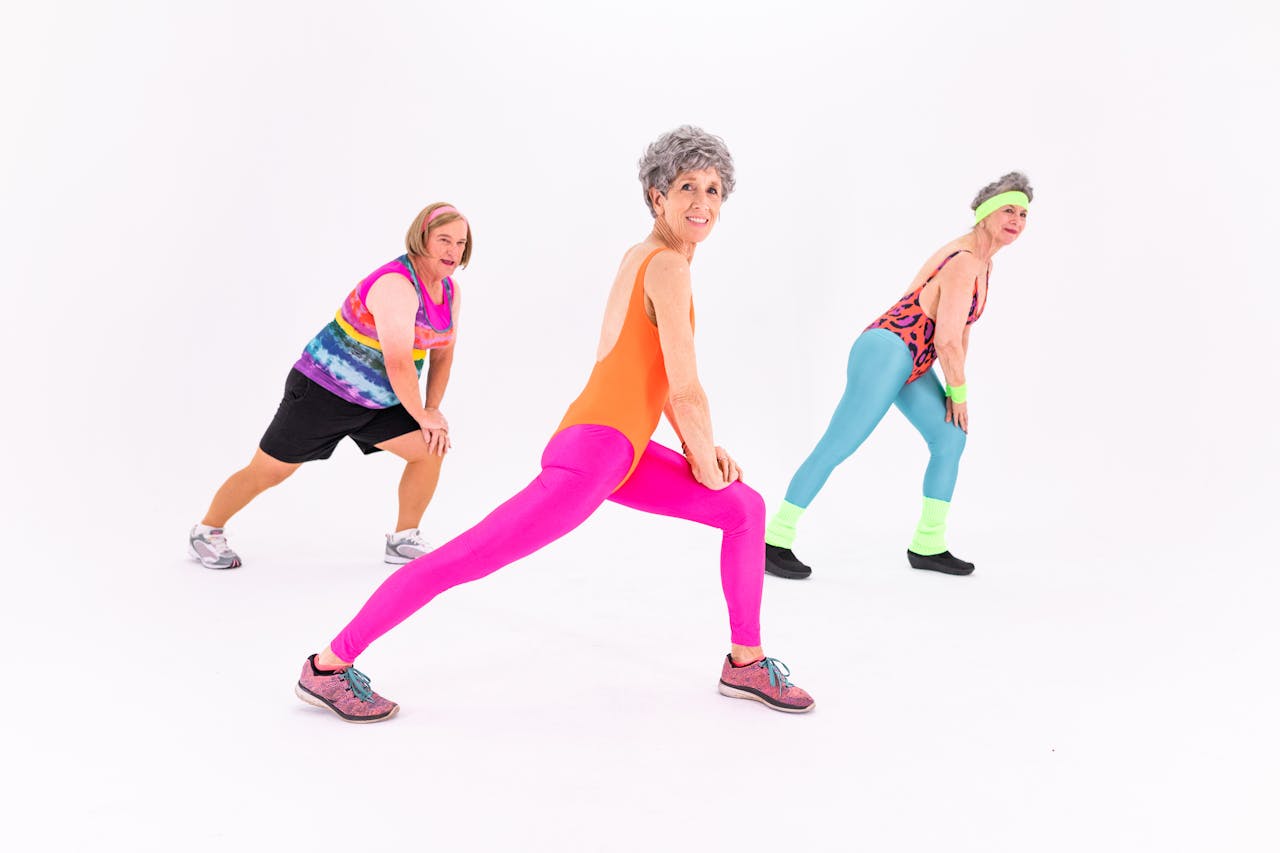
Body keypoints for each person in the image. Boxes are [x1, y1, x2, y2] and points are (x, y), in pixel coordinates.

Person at [293, 127, 814, 723]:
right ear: (656, 195)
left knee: (743, 509)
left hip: (618, 449)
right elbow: (687, 387)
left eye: (715, 190)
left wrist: (705, 452)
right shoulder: (666, 265)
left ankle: (745, 662)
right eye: (687, 187)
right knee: (458, 561)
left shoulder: (643, 257)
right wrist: (701, 457)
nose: (702, 202)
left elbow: (661, 381)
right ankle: (328, 666)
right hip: (594, 455)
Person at [764, 173, 1032, 580]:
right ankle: (773, 540)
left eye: (1024, 213)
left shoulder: (984, 263)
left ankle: (928, 544)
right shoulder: (963, 261)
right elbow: (945, 341)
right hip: (887, 352)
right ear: (984, 214)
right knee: (840, 443)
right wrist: (958, 394)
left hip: (912, 361)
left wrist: (956, 388)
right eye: (1008, 210)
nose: (1016, 219)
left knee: (949, 437)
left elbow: (960, 331)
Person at [187, 203, 471, 569]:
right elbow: (398, 362)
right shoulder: (396, 285)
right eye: (443, 240)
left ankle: (403, 539)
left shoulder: (450, 292)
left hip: (380, 401)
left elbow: (443, 355)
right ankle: (205, 532)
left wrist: (429, 413)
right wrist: (422, 414)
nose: (452, 251)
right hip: (323, 393)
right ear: (421, 240)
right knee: (270, 471)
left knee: (430, 448)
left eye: (460, 243)